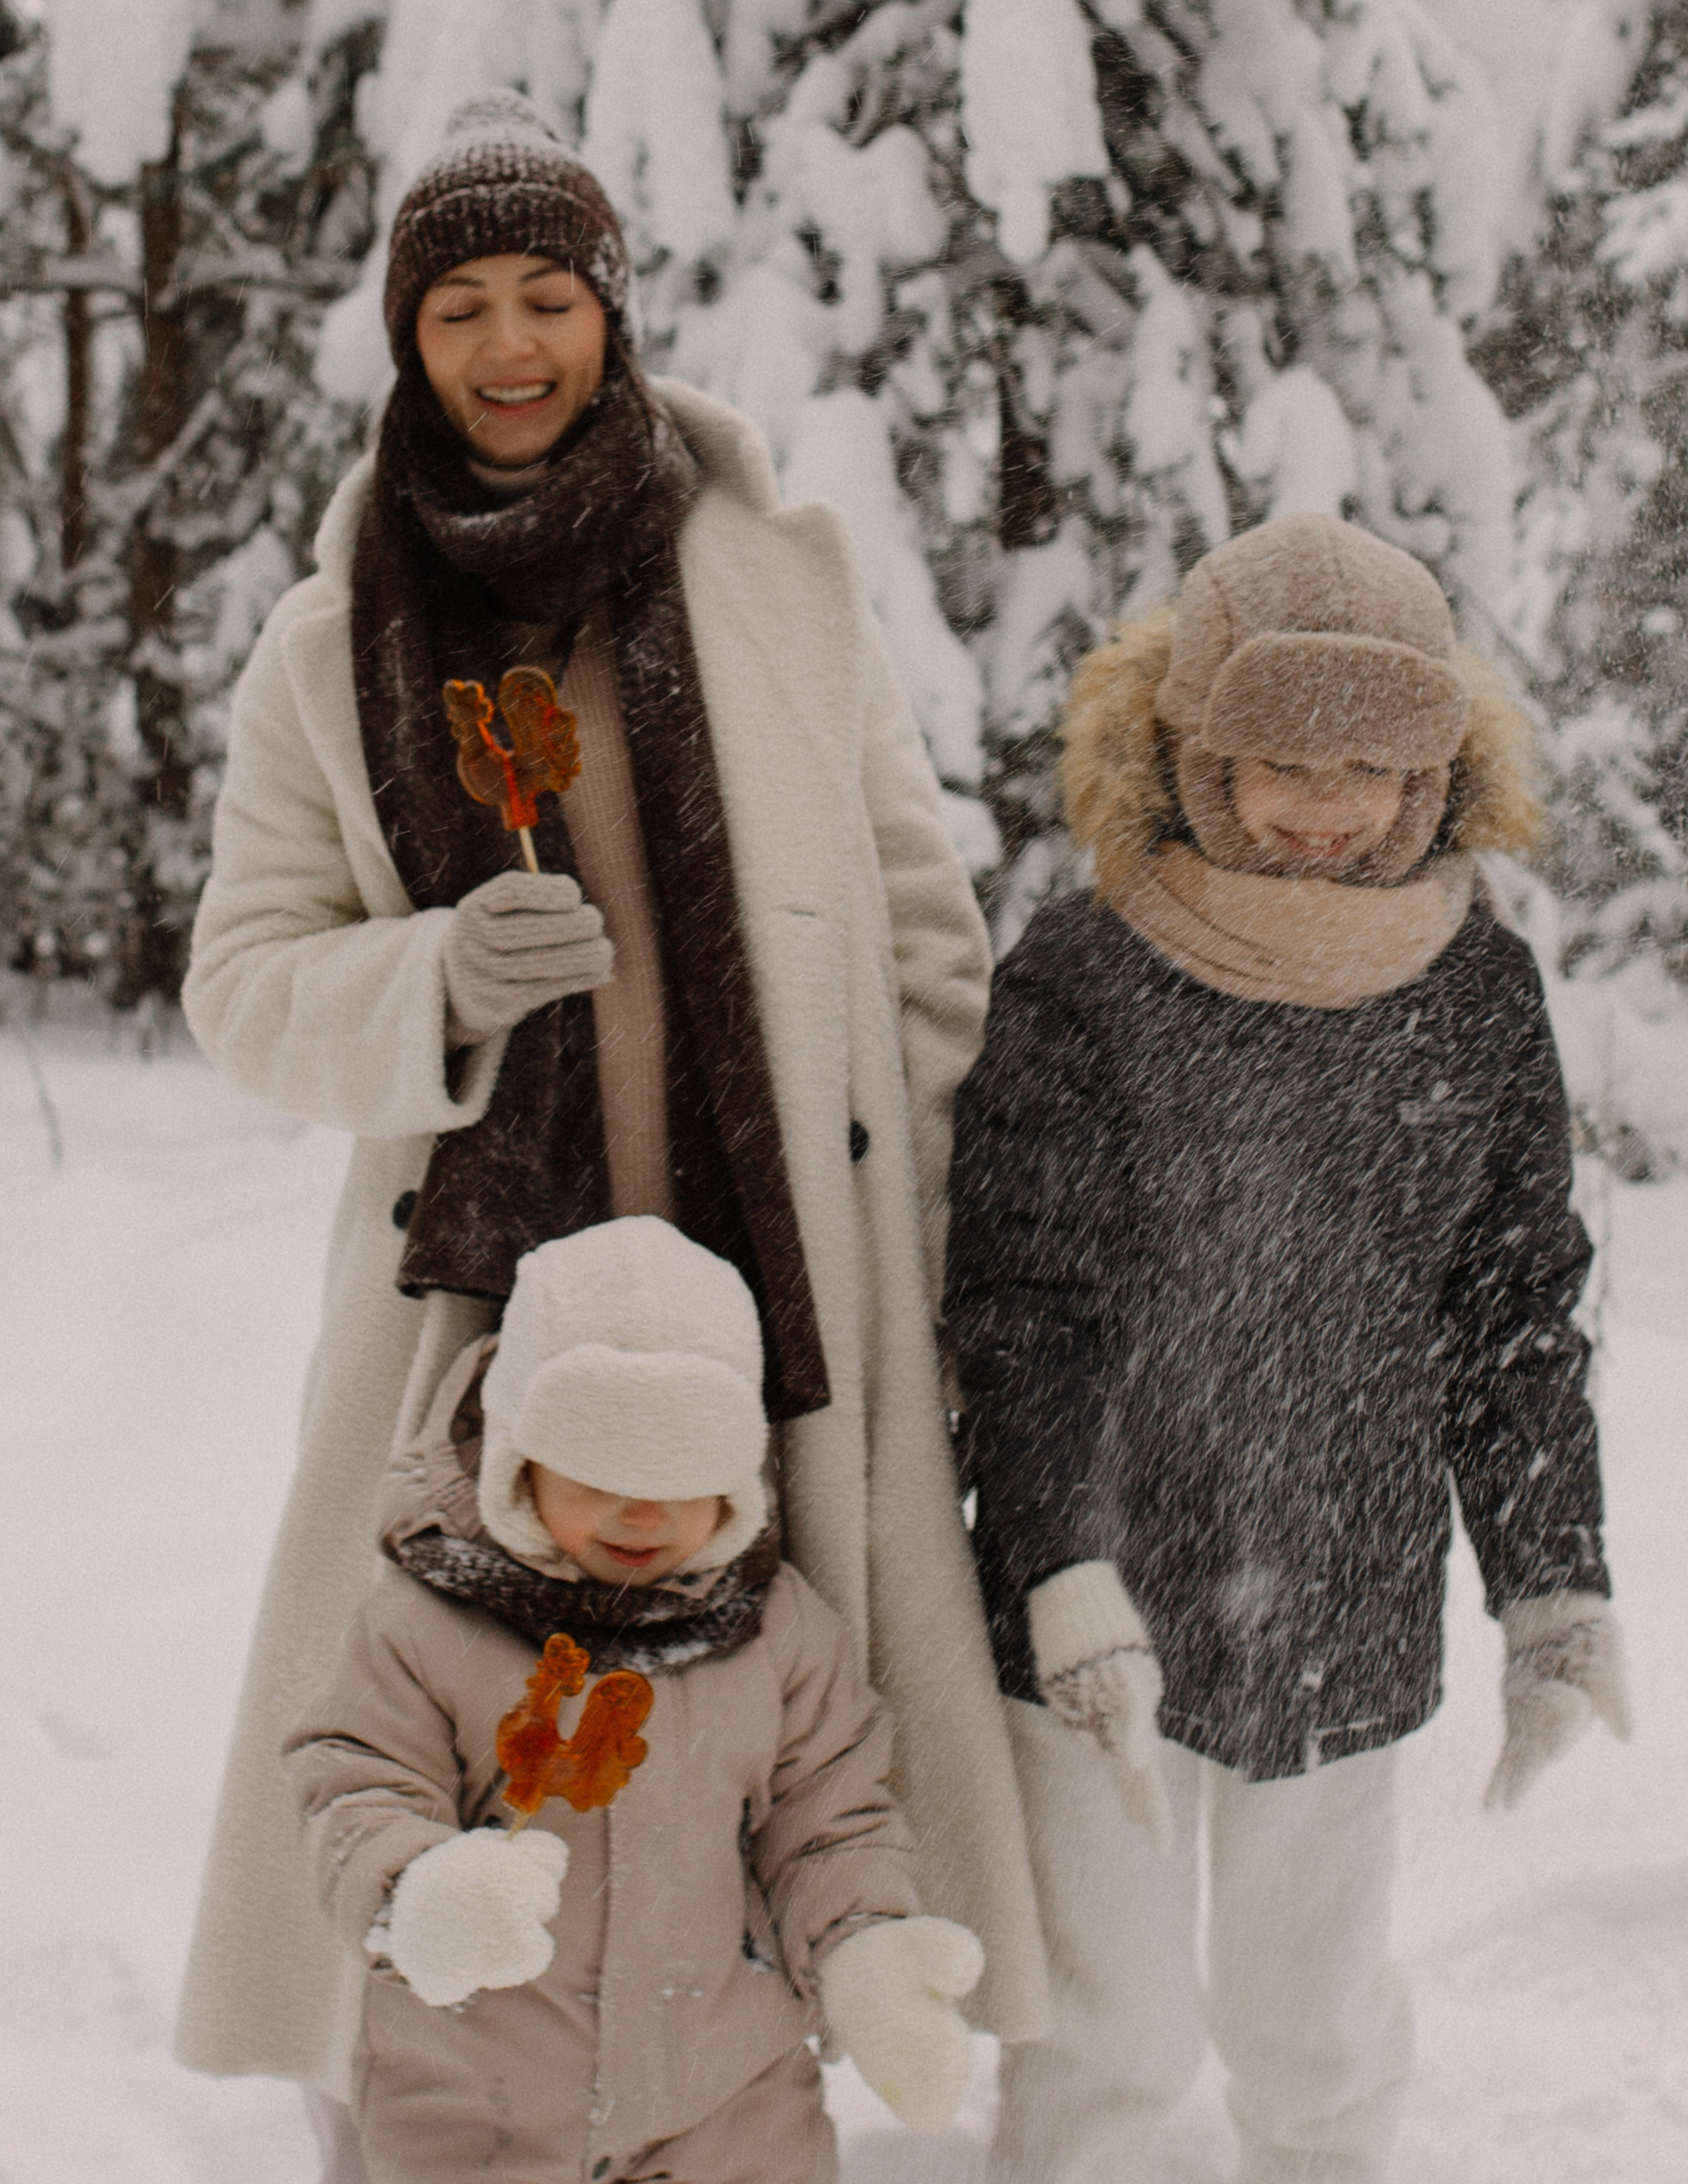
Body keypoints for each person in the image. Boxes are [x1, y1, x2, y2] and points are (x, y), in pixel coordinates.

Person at [174, 86, 1045, 2156]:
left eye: (545, 297)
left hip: (772, 1271)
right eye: (459, 305)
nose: (509, 345)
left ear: (609, 312)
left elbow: (921, 932)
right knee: (434, 1713)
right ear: (410, 338)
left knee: (785, 1726)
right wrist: (431, 984)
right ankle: (421, 2100)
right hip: (480, 1307)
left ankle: (735, 2093)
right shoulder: (333, 641)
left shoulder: (779, 582)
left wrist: (933, 1230)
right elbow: (242, 985)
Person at [944, 513, 1632, 2184]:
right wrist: (1059, 1571)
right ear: (1193, 753)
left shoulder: (1472, 989)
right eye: (1280, 764)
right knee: (1107, 2029)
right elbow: (1020, 1301)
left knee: (1309, 2017)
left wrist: (1550, 1585)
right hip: (1103, 1588)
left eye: (1371, 768)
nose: (1327, 809)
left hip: (1341, 1582)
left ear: (1433, 772)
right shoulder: (1086, 975)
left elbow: (1510, 1308)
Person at [285, 1218, 984, 2184]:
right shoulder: (426, 1623)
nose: (642, 1513)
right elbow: (358, 1782)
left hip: (729, 2098)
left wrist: (864, 1953)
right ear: (519, 1453)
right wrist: (419, 1889)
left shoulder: (781, 1633)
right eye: (600, 1469)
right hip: (480, 2104)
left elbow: (828, 1825)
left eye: (682, 1478)